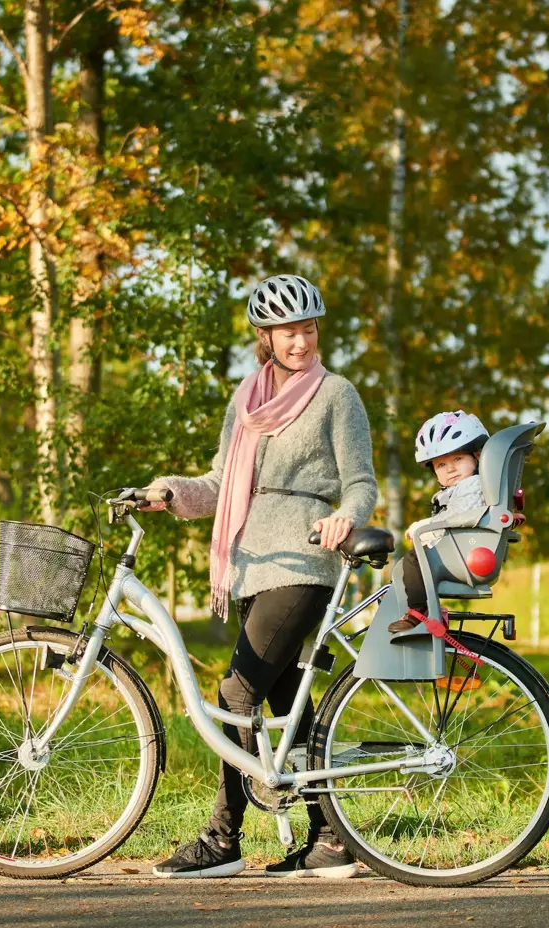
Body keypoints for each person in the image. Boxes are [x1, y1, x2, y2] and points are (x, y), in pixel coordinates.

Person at [141, 274, 377, 879]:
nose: (300, 340)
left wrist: (344, 519)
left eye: (308, 328)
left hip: (303, 561)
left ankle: (222, 838)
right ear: (265, 337)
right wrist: (170, 491)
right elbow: (221, 486)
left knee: (236, 693)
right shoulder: (246, 399)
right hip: (250, 567)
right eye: (287, 331)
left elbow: (360, 482)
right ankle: (330, 841)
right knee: (279, 703)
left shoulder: (336, 394)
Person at [387, 410, 489, 634]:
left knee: (413, 560)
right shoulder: (461, 489)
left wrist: (424, 527)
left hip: (463, 554)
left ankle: (419, 610)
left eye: (458, 459)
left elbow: (462, 514)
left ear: (478, 456)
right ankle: (427, 609)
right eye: (441, 465)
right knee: (411, 565)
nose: (450, 468)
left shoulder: (472, 484)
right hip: (460, 551)